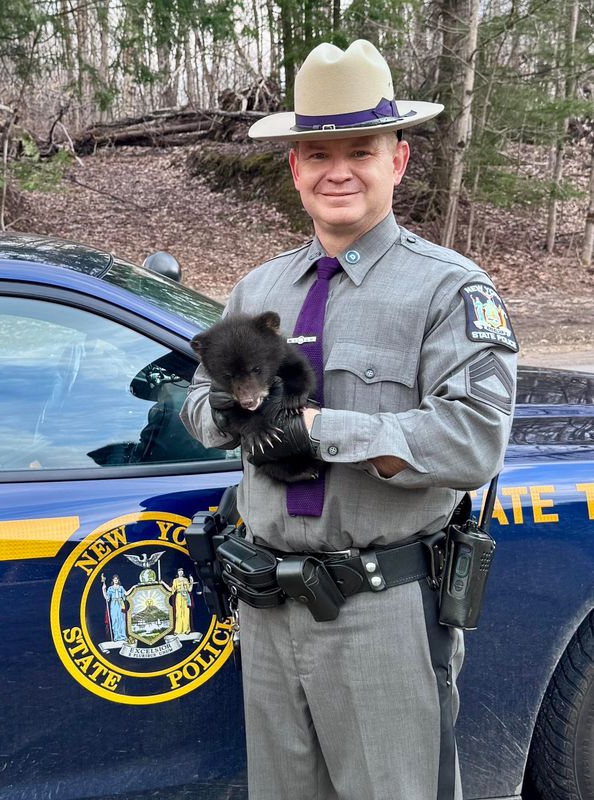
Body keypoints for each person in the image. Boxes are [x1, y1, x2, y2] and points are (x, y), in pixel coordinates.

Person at [181, 39, 517, 800]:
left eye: (360, 150)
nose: (339, 170)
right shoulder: (257, 289)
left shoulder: (448, 291)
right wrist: (235, 417)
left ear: (397, 161)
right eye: (318, 152)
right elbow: (197, 402)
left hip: (383, 615)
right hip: (266, 612)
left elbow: (473, 441)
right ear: (295, 166)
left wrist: (320, 430)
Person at [101, 573, 127, 642]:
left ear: (118, 580)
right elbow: (107, 598)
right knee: (115, 620)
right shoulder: (110, 588)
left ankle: (123, 636)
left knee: (122, 620)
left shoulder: (121, 588)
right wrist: (103, 590)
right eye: (115, 579)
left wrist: (133, 588)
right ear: (113, 580)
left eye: (117, 579)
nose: (116, 580)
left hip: (121, 604)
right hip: (114, 605)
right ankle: (116, 637)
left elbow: (126, 594)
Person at [170, 567, 194, 635]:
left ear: (183, 572)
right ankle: (178, 630)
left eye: (181, 571)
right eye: (179, 571)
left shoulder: (186, 580)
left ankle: (187, 629)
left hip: (185, 596)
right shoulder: (175, 580)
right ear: (177, 573)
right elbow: (172, 590)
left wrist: (191, 581)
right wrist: (163, 583)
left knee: (186, 612)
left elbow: (189, 589)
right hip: (179, 596)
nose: (180, 572)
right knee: (178, 613)